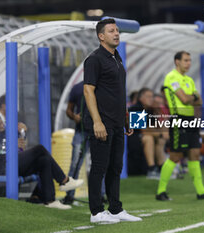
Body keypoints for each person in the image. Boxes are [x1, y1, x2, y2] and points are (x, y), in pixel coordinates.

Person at [83, 18, 141, 223]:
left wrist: (126, 117)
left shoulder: (117, 58)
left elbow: (118, 92)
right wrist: (97, 122)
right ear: (101, 36)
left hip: (117, 122)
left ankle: (115, 209)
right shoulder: (94, 59)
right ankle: (96, 212)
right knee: (99, 166)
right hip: (102, 122)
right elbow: (88, 90)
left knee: (116, 166)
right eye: (111, 31)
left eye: (117, 30)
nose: (116, 33)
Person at [0, 103, 84, 209]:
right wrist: (9, 146)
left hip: (6, 161)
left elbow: (0, 148)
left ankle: (49, 200)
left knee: (44, 160)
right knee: (39, 149)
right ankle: (64, 181)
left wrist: (2, 132)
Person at [155, 51, 204, 201]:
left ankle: (201, 192)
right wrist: (193, 97)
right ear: (177, 61)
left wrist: (192, 98)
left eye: (190, 60)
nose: (189, 63)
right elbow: (185, 99)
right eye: (186, 60)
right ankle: (160, 192)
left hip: (191, 120)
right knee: (176, 155)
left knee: (195, 154)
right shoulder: (171, 77)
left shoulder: (189, 80)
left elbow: (200, 102)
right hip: (178, 119)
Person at [62, 81, 106, 204]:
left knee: (99, 163)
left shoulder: (103, 86)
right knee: (75, 163)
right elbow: (69, 110)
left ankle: (101, 195)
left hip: (99, 130)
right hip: (81, 131)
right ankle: (69, 195)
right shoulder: (77, 88)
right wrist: (75, 117)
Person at [128, 88, 167, 179]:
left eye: (152, 97)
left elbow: (157, 127)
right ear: (141, 98)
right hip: (133, 137)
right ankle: (151, 169)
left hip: (144, 136)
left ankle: (162, 168)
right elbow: (143, 130)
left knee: (160, 139)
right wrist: (160, 134)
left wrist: (158, 112)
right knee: (148, 138)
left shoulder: (150, 110)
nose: (151, 99)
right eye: (148, 97)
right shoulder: (136, 108)